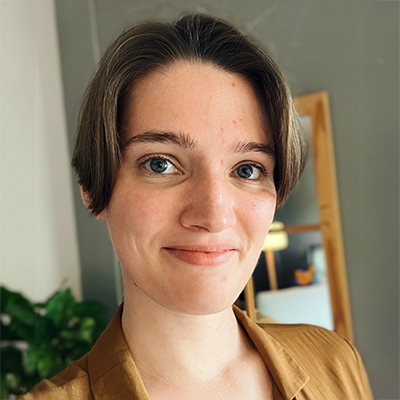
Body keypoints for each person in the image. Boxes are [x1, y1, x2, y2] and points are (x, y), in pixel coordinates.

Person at [20, 14, 373, 400]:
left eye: (248, 169)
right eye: (160, 163)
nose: (214, 215)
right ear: (93, 188)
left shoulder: (336, 363)